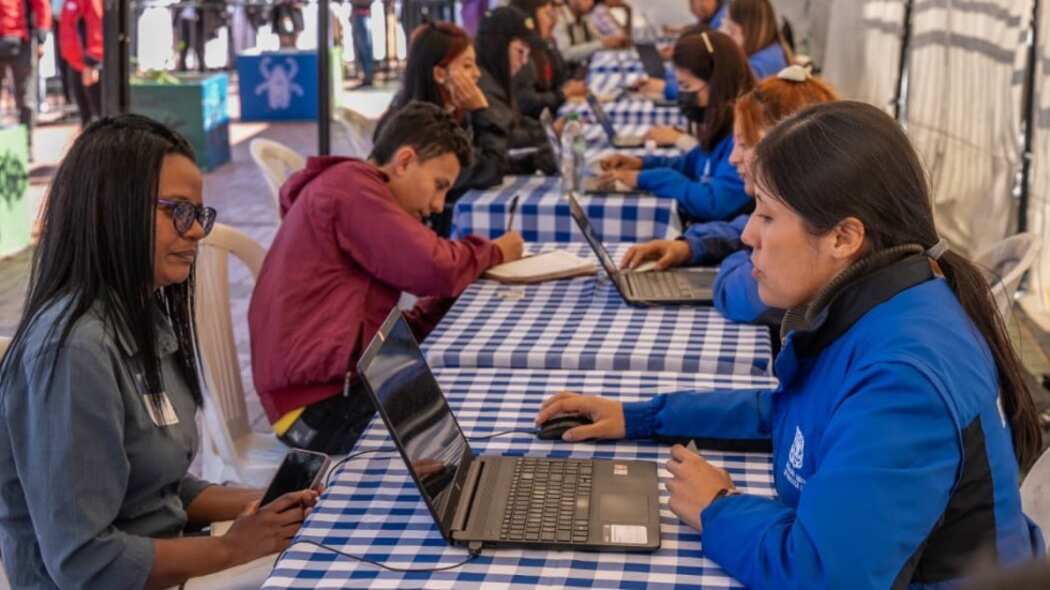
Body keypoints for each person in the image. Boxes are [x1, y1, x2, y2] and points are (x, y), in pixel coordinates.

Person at [536, 101, 1046, 589]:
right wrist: (641, 417)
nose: (747, 237)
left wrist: (718, 506)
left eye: (767, 215)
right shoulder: (880, 307)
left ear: (844, 238)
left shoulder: (903, 377)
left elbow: (822, 576)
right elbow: (795, 411)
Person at [0, 114, 318, 588]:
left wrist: (270, 503)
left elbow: (156, 487)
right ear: (109, 209)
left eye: (199, 215)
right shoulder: (75, 351)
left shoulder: (141, 315)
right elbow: (84, 561)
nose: (196, 232)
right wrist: (235, 547)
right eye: (178, 211)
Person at [249, 101, 524, 455]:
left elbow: (364, 320)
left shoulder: (351, 187)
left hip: (331, 387)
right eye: (439, 185)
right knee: (474, 432)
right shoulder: (351, 189)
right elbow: (434, 267)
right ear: (405, 160)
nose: (439, 204)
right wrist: (496, 251)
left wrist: (437, 308)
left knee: (475, 405)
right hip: (317, 409)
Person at [622, 65, 837, 327]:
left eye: (745, 144)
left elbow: (735, 292)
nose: (734, 157)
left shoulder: (807, 242)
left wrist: (741, 257)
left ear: (789, 148)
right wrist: (691, 246)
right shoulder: (810, 205)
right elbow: (742, 226)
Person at [598, 30, 754, 222]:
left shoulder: (745, 133)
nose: (681, 95)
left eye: (686, 87)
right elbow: (693, 164)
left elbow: (714, 203)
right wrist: (642, 164)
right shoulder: (721, 123)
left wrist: (647, 178)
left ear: (717, 83)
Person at [375, 21, 508, 235]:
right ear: (439, 73)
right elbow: (488, 170)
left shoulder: (448, 114)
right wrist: (482, 110)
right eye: (467, 66)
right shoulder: (419, 128)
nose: (477, 74)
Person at [475, 7, 556, 174]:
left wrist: (547, 130)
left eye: (527, 53)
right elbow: (506, 139)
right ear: (498, 47)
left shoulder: (498, 77)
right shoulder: (484, 86)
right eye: (520, 51)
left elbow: (515, 122)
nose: (524, 61)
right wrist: (544, 136)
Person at [509, 0, 588, 119]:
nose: (554, 21)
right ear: (530, 18)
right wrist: (562, 95)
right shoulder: (522, 54)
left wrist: (571, 87)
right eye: (547, 14)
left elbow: (563, 76)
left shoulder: (545, 45)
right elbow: (526, 102)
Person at [0, 0, 51, 157]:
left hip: (22, 42)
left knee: (26, 100)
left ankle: (26, 146)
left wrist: (42, 36)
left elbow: (41, 5)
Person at [720, 0, 791, 80]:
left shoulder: (762, 64)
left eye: (731, 30)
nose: (727, 35)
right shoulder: (771, 48)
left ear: (749, 30)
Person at [58, 0, 102, 126]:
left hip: (88, 65)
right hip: (74, 63)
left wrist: (92, 62)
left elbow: (96, 26)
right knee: (85, 116)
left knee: (98, 116)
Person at [553, 0, 627, 65]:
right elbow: (566, 55)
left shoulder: (584, 17)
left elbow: (597, 39)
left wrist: (608, 42)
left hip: (582, 69)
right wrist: (602, 43)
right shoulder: (559, 17)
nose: (591, 3)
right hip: (567, 76)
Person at [350, 0, 374, 87]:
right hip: (359, 15)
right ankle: (366, 75)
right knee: (362, 47)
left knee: (365, 47)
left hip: (362, 15)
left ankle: (368, 76)